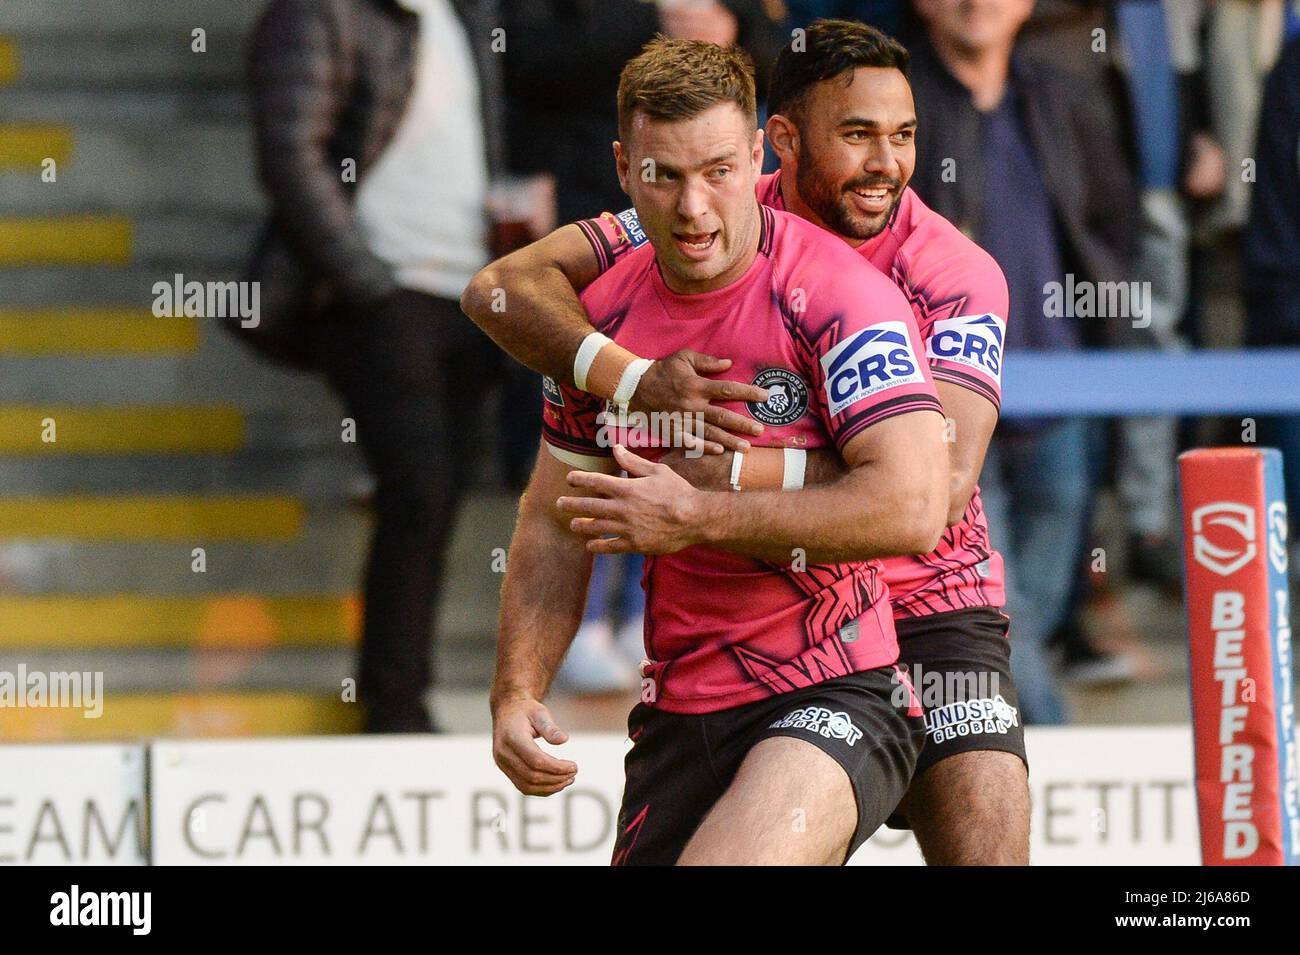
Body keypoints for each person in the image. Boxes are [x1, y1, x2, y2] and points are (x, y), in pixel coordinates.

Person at [467, 20, 1032, 864]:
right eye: (857, 136)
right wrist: (628, 379)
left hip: (918, 607)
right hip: (701, 675)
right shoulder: (696, 215)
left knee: (984, 838)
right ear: (783, 144)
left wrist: (715, 485)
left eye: (903, 137)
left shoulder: (940, 275)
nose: (885, 163)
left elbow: (932, 494)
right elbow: (502, 293)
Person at [248, 0, 550, 732]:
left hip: (471, 296)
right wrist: (366, 281)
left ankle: (402, 686)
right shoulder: (320, 12)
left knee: (438, 496)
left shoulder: (466, 14)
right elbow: (289, 152)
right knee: (418, 487)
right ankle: (392, 702)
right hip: (386, 295)